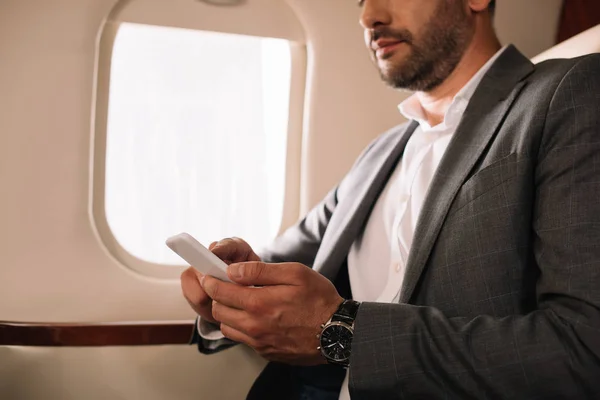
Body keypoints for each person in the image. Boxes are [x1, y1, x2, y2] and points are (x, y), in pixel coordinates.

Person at [181, 0, 600, 398]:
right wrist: (228, 285)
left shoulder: (567, 94)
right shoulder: (381, 152)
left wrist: (342, 330)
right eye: (361, 0)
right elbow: (280, 260)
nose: (369, 17)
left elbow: (584, 349)